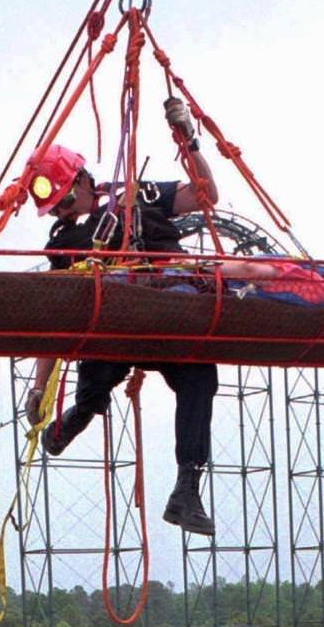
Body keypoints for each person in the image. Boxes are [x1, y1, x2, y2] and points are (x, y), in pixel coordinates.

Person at [24, 97, 221, 537]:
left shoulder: (133, 196)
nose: (59, 211)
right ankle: (79, 413)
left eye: (62, 201)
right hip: (112, 320)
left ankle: (187, 488)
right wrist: (39, 387)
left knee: (198, 377)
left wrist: (188, 141)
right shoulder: (63, 243)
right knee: (97, 363)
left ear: (81, 180)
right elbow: (58, 319)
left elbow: (205, 195)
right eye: (54, 208)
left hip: (169, 305)